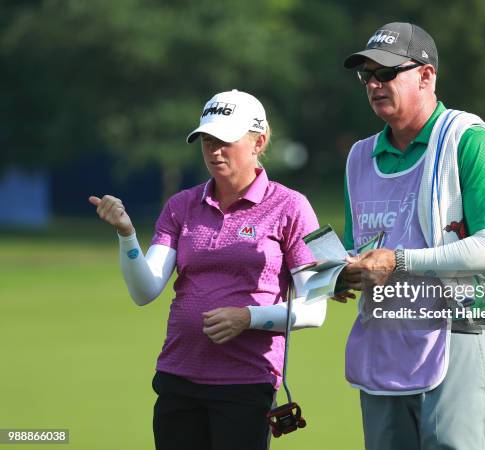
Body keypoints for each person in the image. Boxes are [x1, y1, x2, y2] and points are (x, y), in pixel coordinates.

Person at [89, 89, 326, 450]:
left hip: (245, 383)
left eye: (225, 140)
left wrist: (247, 317)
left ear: (258, 141)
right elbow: (144, 290)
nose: (214, 150)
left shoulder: (291, 207)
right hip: (177, 378)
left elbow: (315, 309)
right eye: (207, 140)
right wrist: (127, 235)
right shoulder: (181, 205)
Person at [338, 22, 485, 450]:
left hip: (461, 331)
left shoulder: (470, 140)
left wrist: (396, 261)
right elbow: (359, 247)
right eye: (367, 76)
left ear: (426, 75)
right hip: (384, 342)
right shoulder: (359, 156)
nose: (374, 84)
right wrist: (341, 273)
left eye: (387, 73)